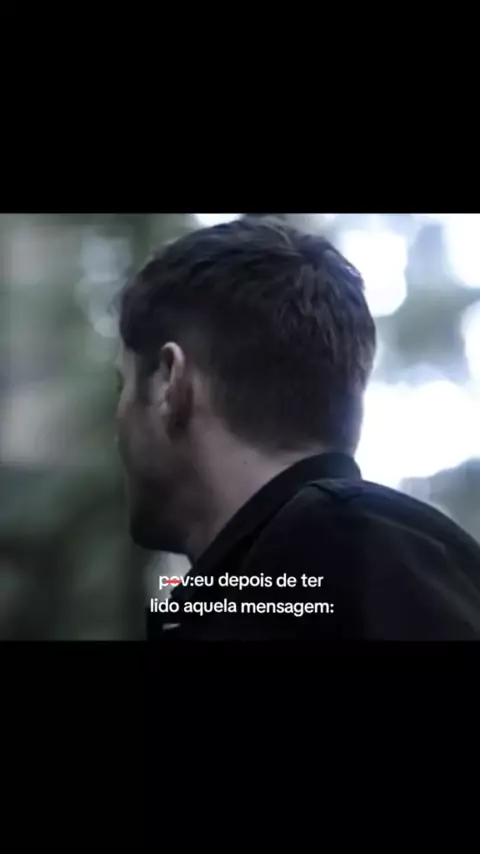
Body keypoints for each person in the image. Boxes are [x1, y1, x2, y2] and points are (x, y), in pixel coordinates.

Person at [115, 218, 480, 640]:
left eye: (122, 384)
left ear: (169, 383)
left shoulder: (340, 565)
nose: (118, 421)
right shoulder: (386, 574)